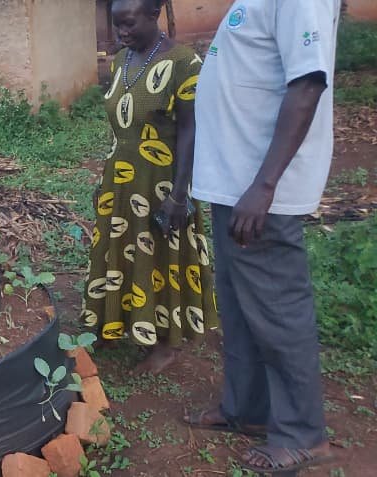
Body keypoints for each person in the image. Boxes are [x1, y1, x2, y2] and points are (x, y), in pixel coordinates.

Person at [185, 0, 340, 472]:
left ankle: (301, 434)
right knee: (239, 307)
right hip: (233, 183)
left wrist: (265, 185)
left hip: (258, 191)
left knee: (277, 312)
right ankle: (247, 409)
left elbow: (307, 81)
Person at [82, 0, 217, 373]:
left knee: (158, 258)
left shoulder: (184, 62)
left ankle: (164, 342)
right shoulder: (119, 62)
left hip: (161, 181)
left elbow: (191, 129)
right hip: (122, 178)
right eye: (116, 26)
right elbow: (120, 126)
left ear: (153, 15)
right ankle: (117, 322)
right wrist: (105, 178)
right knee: (119, 250)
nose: (121, 33)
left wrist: (179, 193)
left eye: (128, 24)